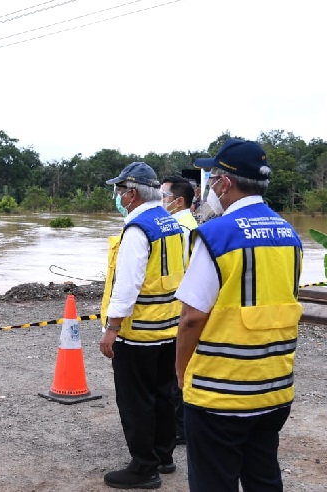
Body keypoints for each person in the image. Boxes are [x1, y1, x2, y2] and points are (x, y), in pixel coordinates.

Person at [175, 139, 303, 491]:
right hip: (274, 388)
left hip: (221, 393)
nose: (208, 188)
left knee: (214, 482)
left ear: (225, 183)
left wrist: (181, 370)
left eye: (211, 179)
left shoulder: (216, 235)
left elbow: (191, 318)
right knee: (263, 477)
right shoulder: (289, 234)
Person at [99, 162, 185, 489]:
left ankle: (144, 467)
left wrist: (112, 327)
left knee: (136, 401)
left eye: (120, 190)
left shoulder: (137, 230)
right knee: (164, 394)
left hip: (139, 333)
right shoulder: (170, 223)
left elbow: (128, 284)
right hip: (169, 328)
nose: (118, 196)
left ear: (132, 193)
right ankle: (163, 457)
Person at [160, 175, 198, 446]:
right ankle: (182, 426)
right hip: (183, 306)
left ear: (179, 201)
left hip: (176, 309)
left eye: (164, 196)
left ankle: (180, 429)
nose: (161, 201)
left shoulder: (177, 229)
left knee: (175, 372)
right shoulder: (191, 226)